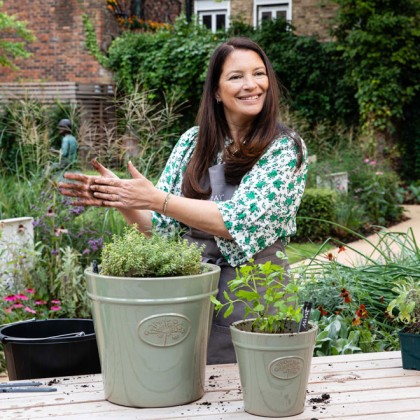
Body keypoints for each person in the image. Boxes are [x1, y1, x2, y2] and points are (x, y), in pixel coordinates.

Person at [58, 37, 308, 364]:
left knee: (253, 395)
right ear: (217, 91)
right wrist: (122, 198)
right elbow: (162, 230)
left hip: (257, 294)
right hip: (193, 292)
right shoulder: (193, 143)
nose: (251, 85)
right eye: (236, 77)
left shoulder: (284, 148)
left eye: (259, 74)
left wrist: (157, 198)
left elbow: (237, 221)